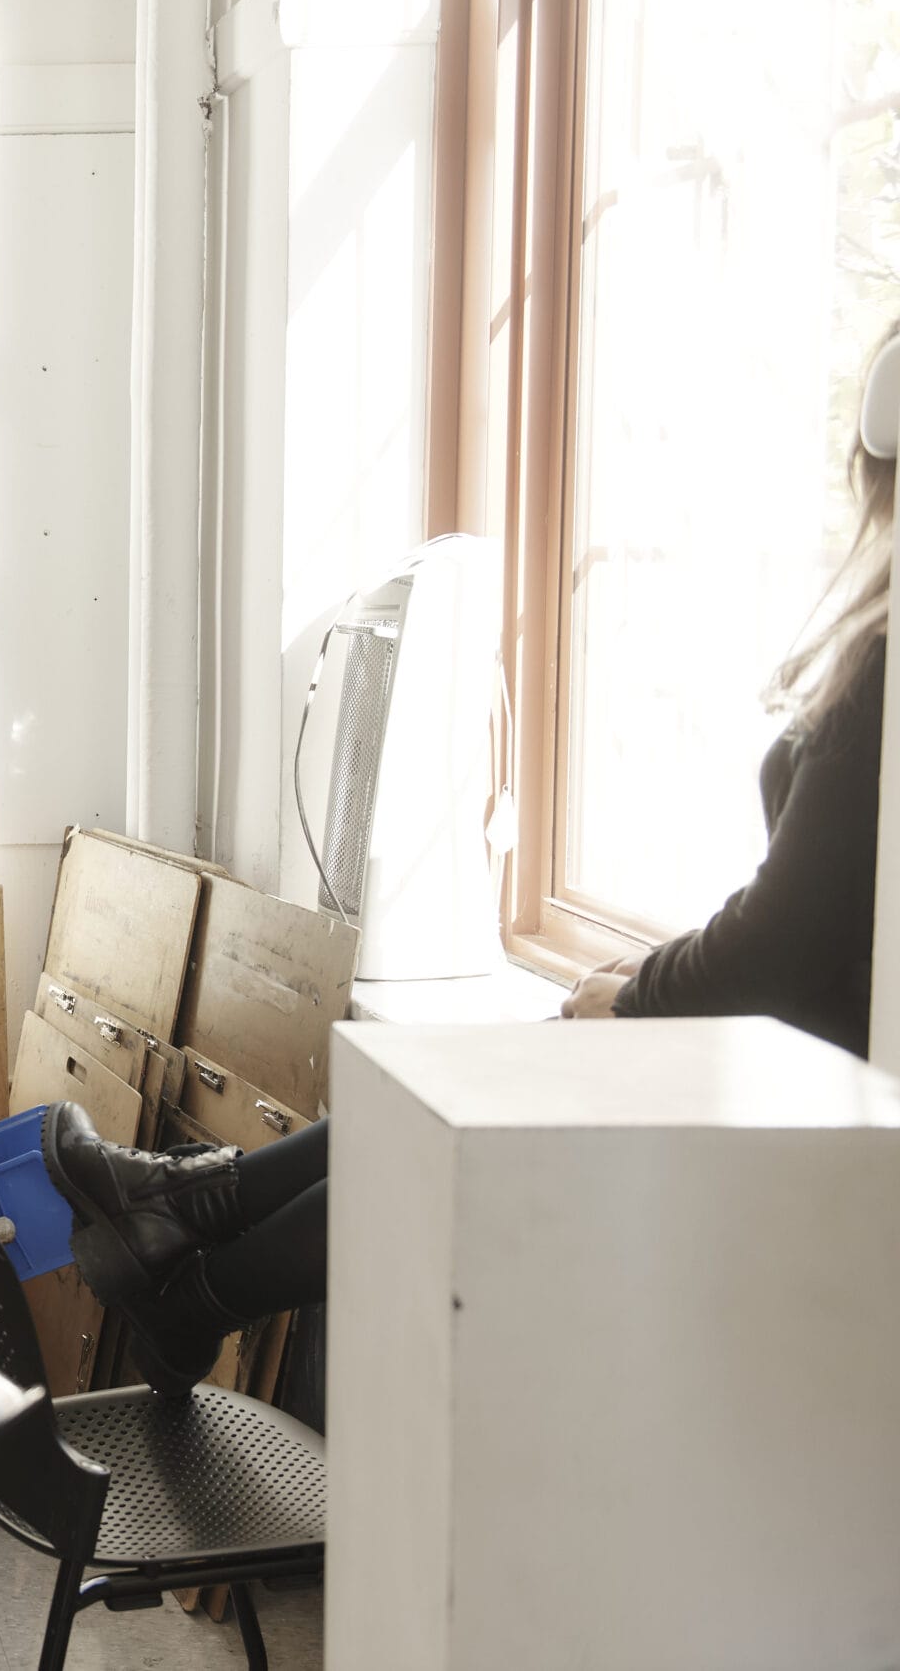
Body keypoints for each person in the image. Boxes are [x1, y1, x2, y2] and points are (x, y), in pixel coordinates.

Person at [48, 320, 898, 1395]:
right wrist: (633, 986)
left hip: (819, 1114)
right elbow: (805, 904)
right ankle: (187, 1231)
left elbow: (787, 934)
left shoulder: (882, 670)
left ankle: (187, 1257)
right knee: (455, 1078)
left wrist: (634, 1002)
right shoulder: (877, 658)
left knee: (461, 1112)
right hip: (801, 1081)